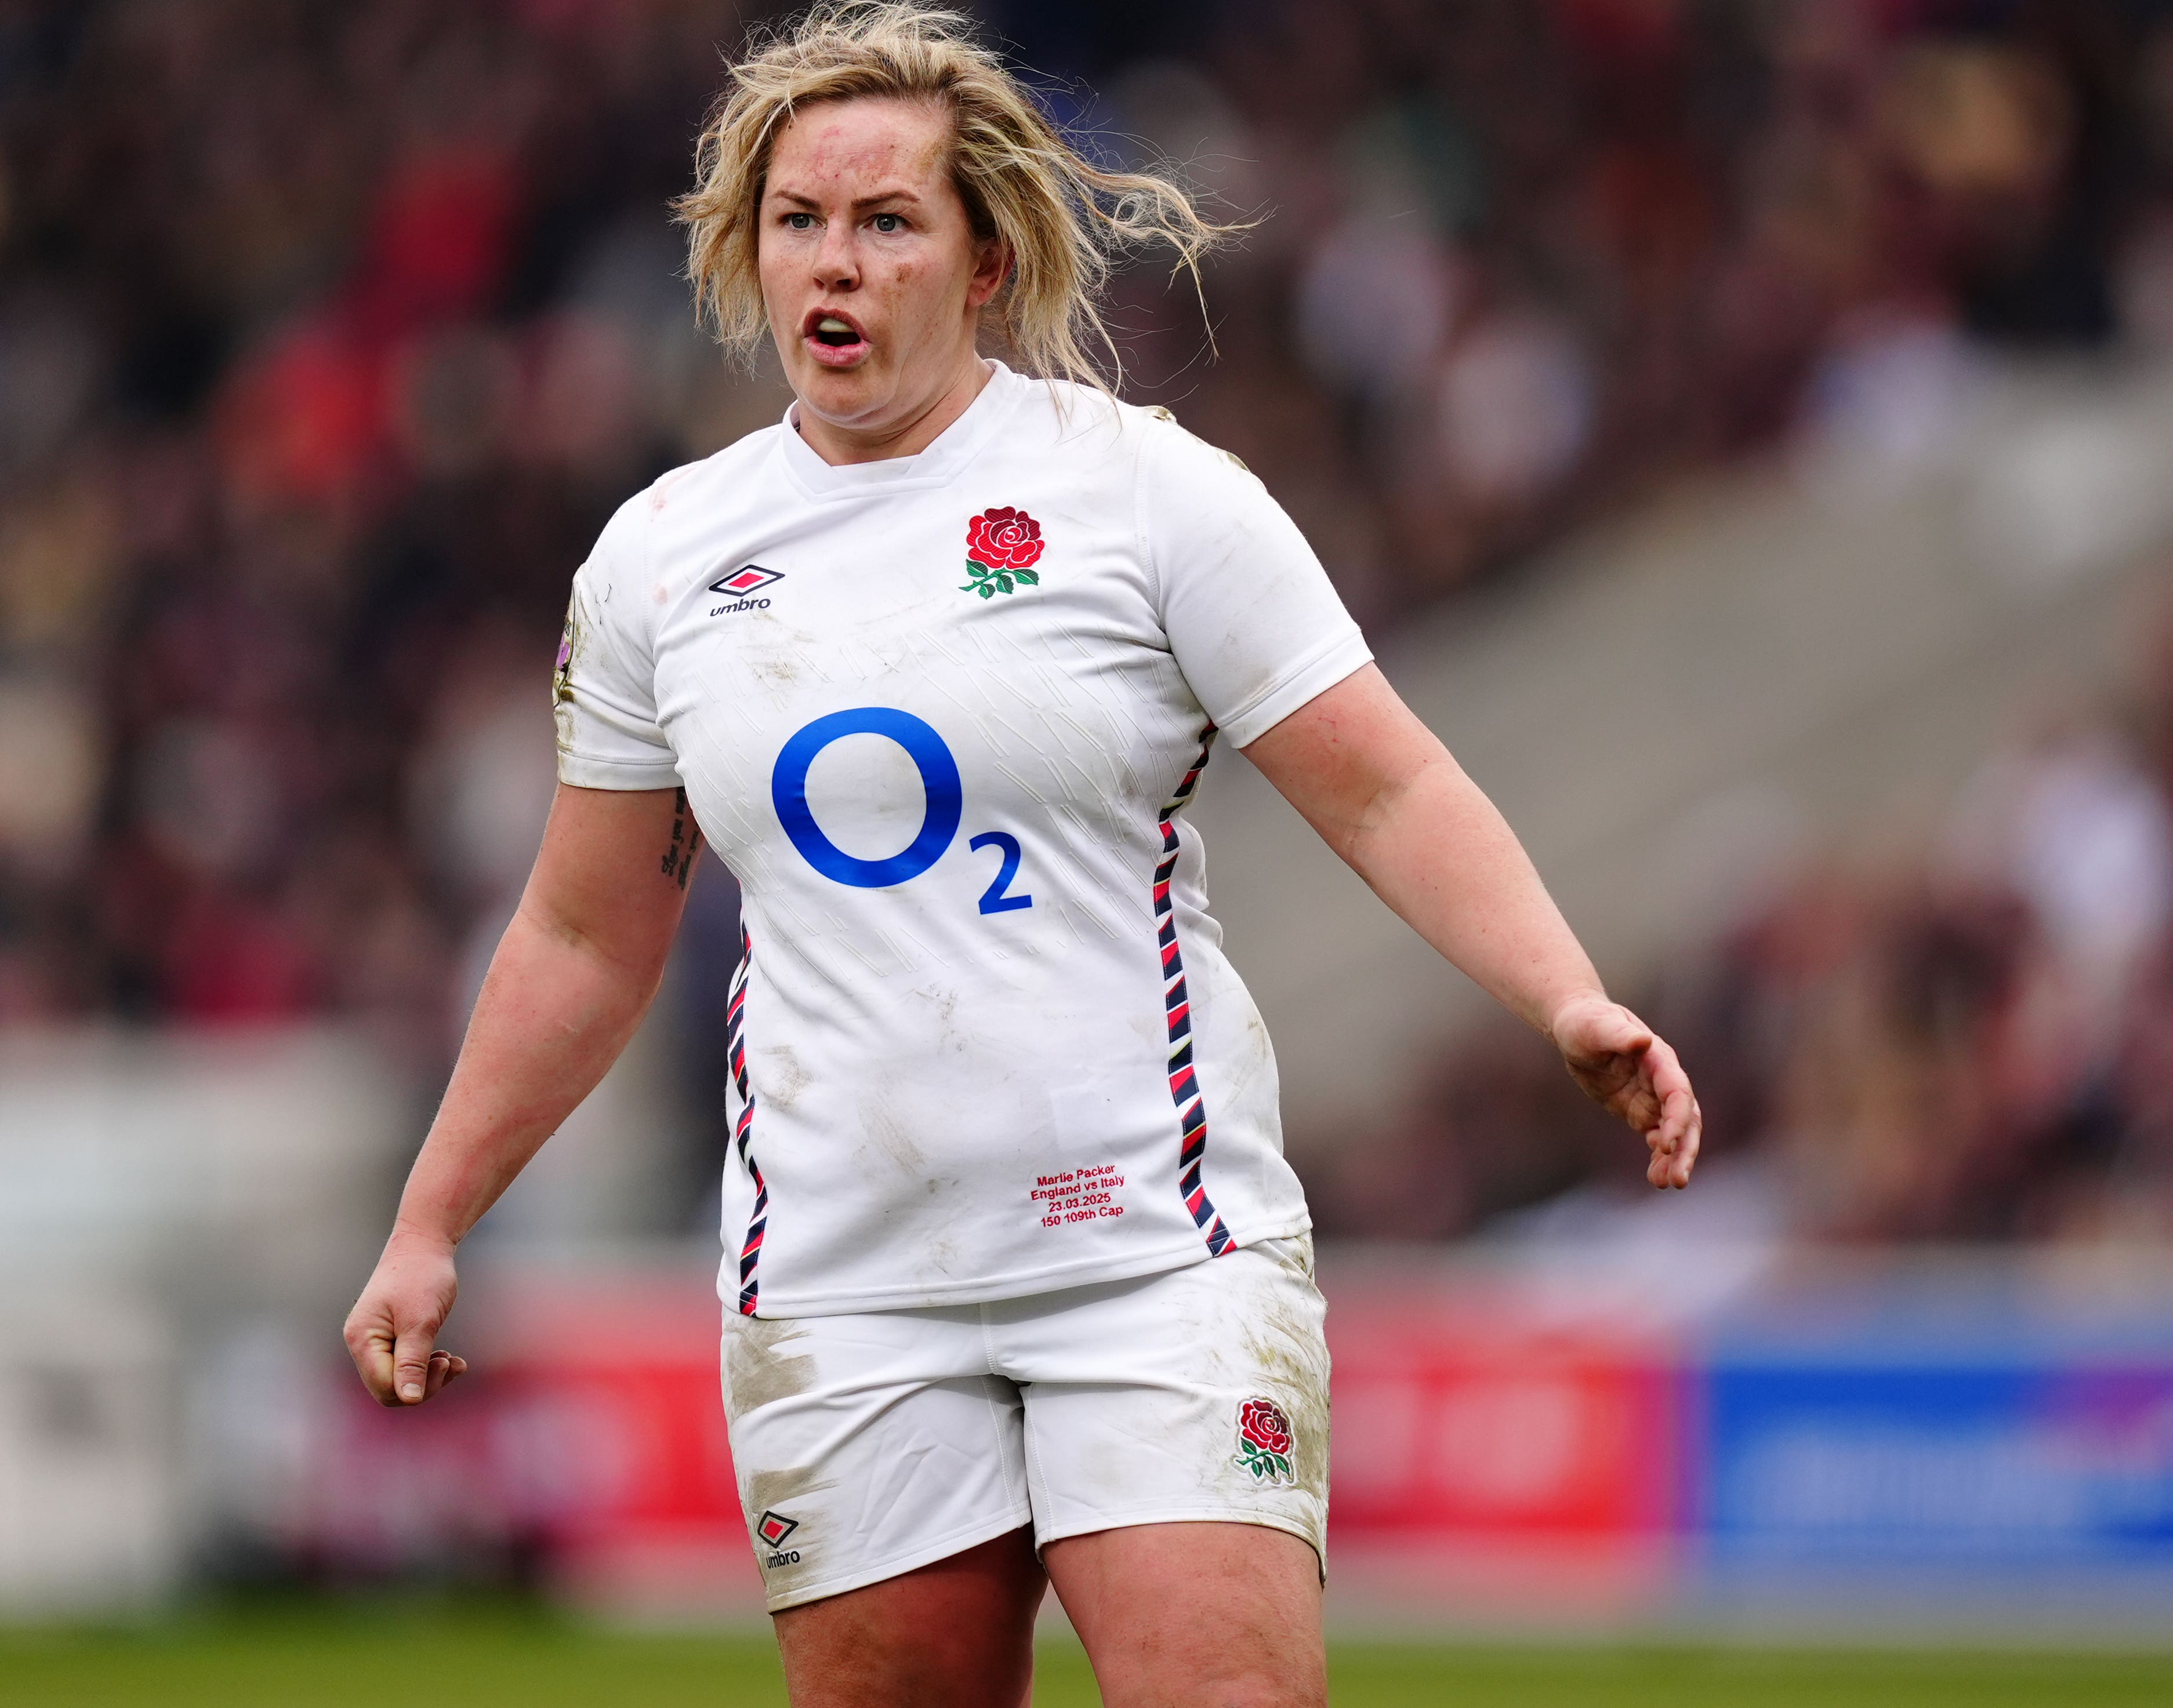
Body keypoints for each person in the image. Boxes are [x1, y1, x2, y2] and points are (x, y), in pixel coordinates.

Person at [344, 6, 1700, 1703]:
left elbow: (1383, 786)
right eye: (799, 222)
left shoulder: (1145, 496)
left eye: (887, 221)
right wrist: (432, 1215)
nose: (834, 264)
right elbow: (579, 931)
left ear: (983, 260)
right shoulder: (661, 560)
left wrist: (1563, 995)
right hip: (842, 1278)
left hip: (1147, 1247)